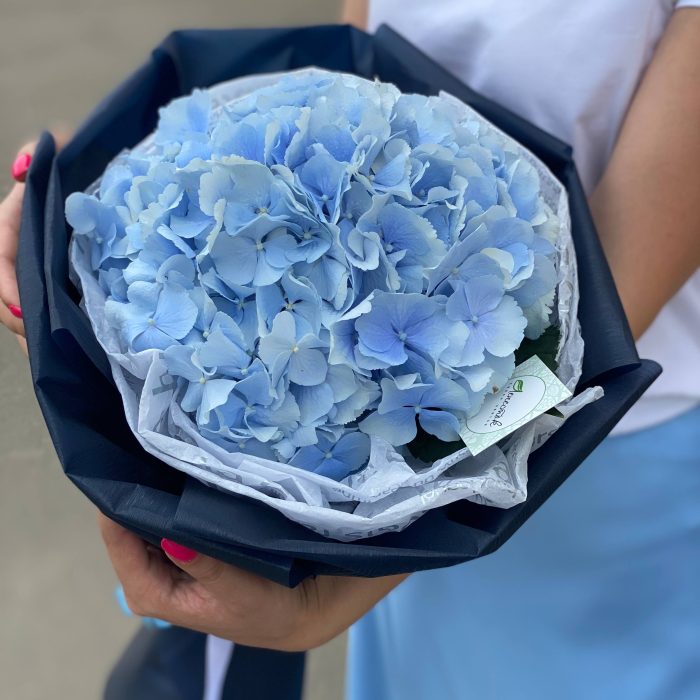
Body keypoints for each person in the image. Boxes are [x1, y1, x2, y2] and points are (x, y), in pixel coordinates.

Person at [1, 1, 699, 698]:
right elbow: (358, 61)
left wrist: (379, 555)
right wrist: (118, 198)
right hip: (391, 443)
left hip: (589, 448)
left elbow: (591, 311)